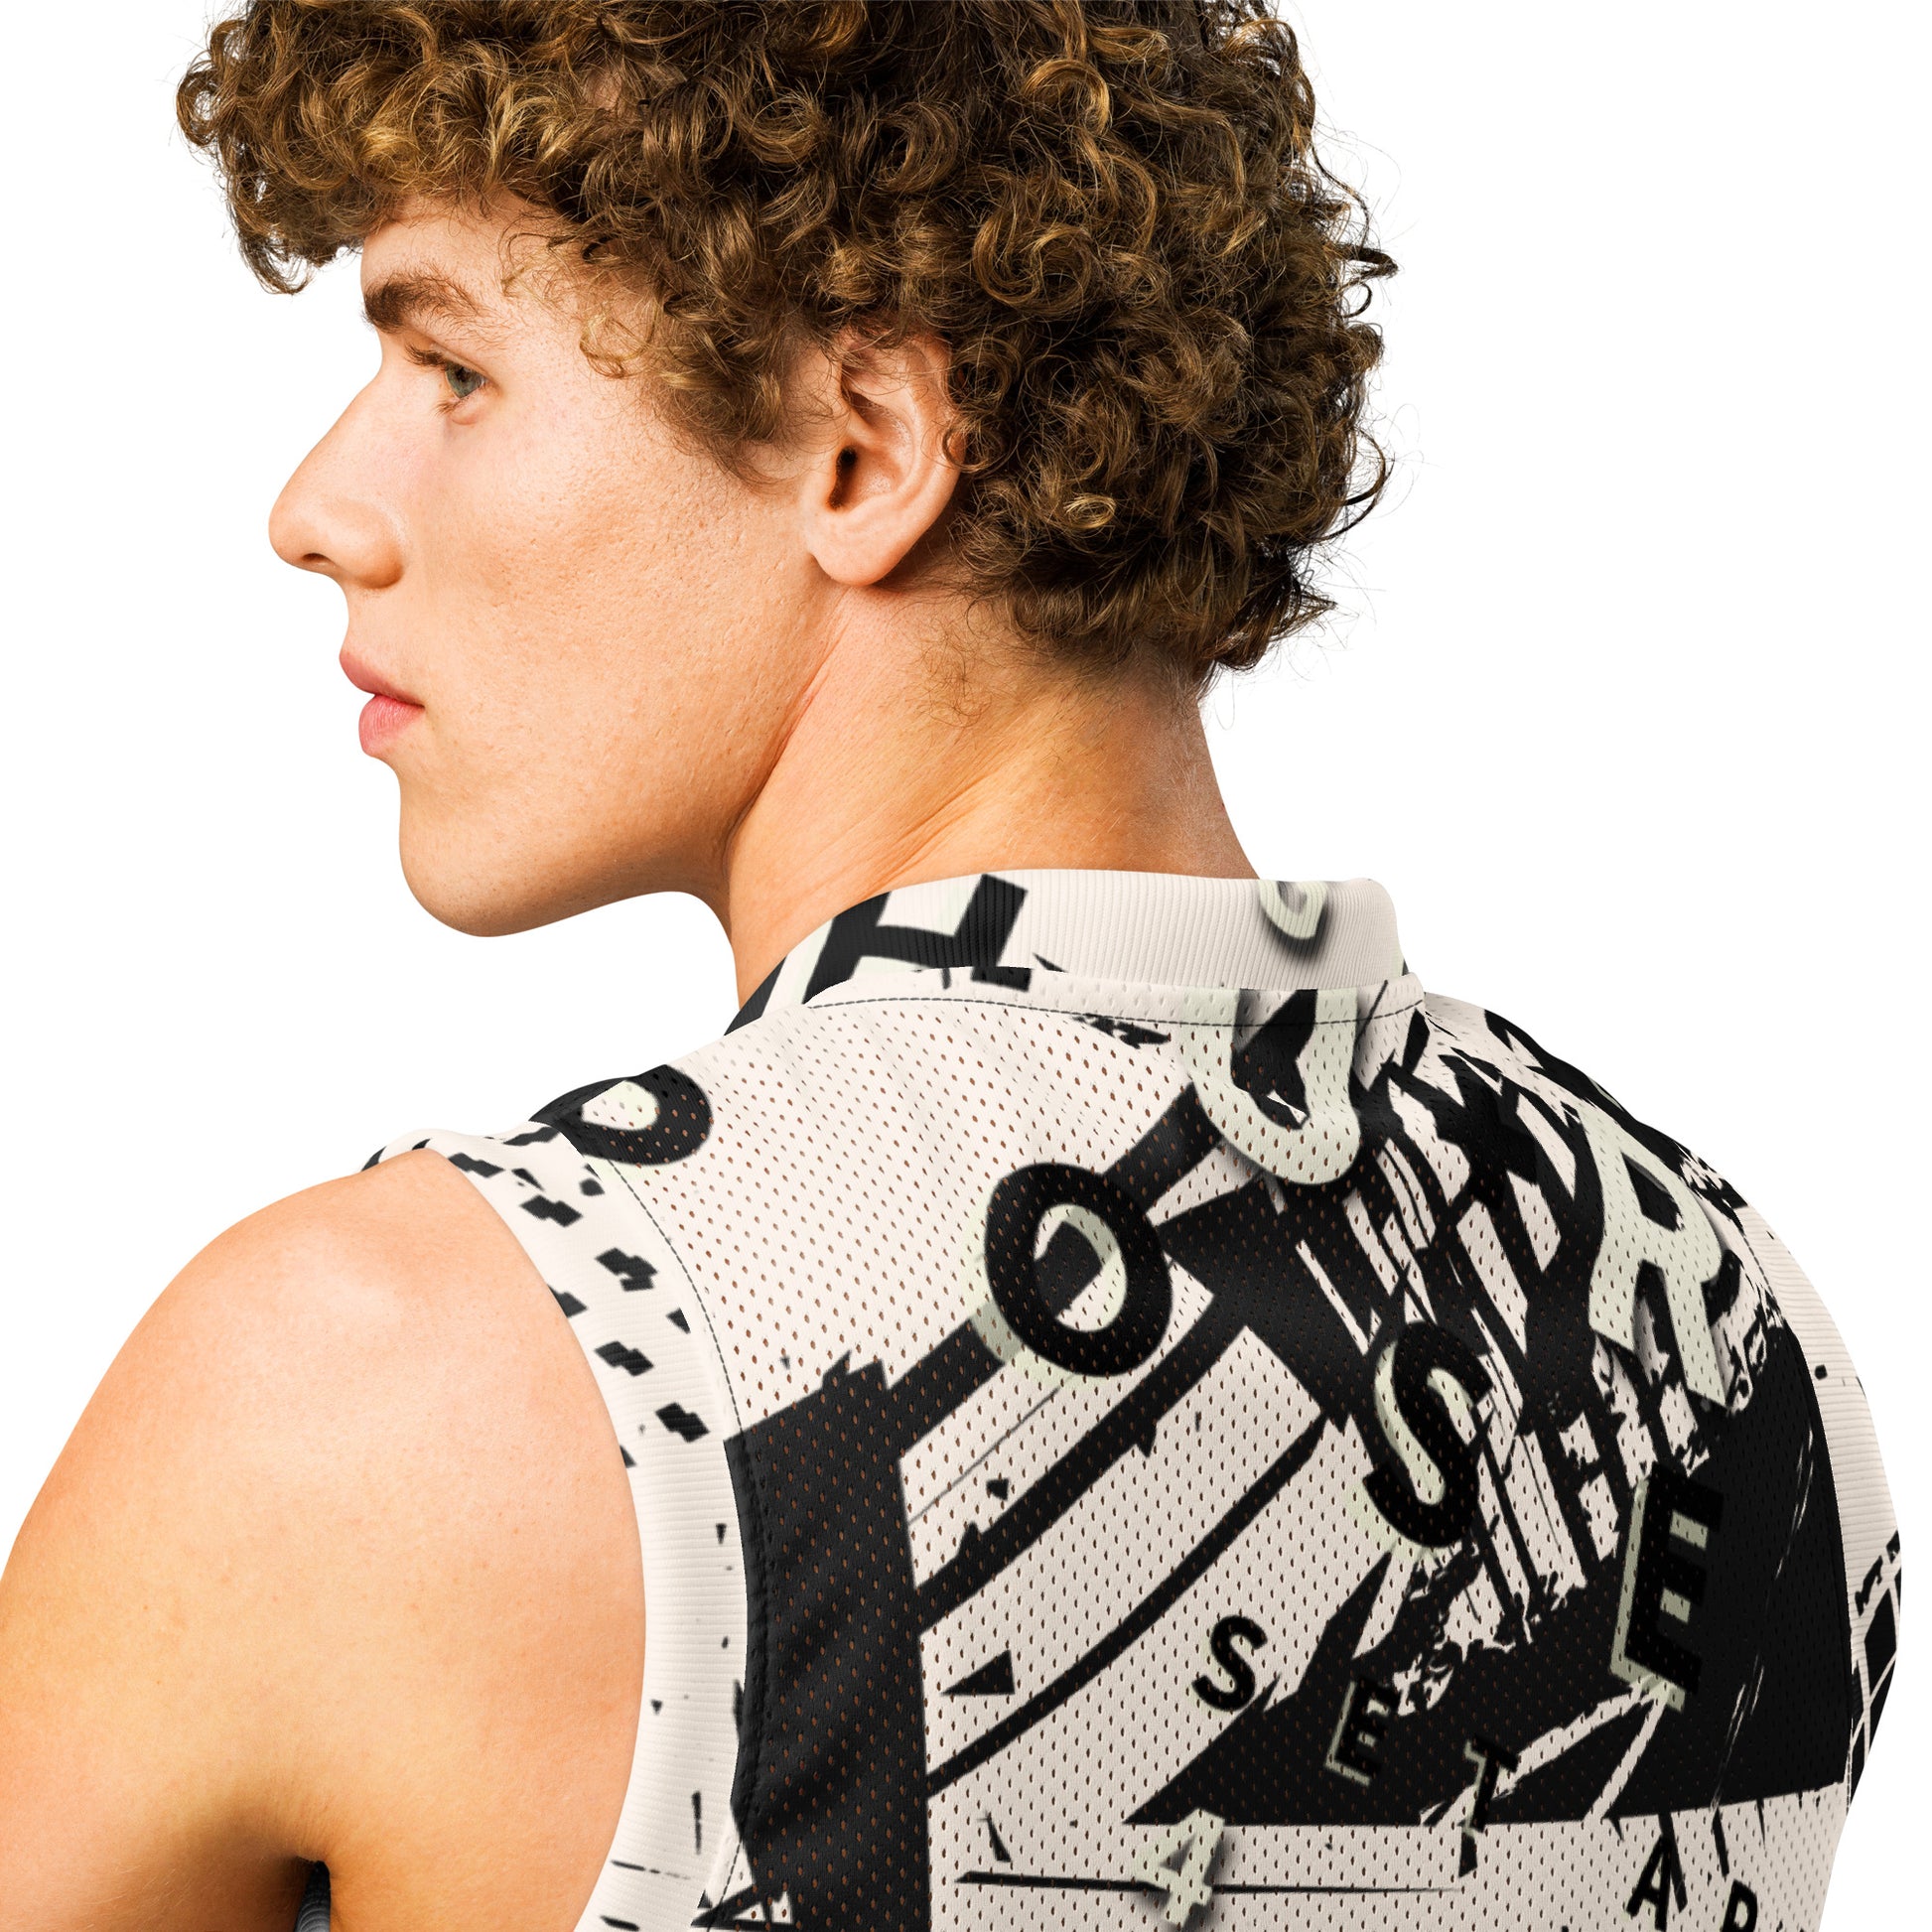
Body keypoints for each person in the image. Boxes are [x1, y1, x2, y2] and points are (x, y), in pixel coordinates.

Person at [0, 4, 1898, 1929]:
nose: (316, 509)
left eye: (452, 368)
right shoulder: (1727, 1319)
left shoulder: (379, 1375)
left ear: (862, 452)